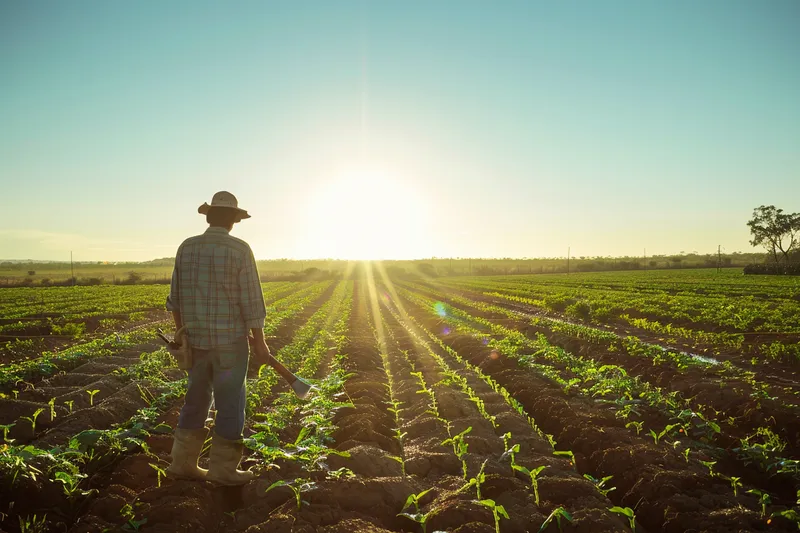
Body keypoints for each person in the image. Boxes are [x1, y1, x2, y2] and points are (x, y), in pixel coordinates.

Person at [164, 191, 271, 485]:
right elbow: (251, 301)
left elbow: (176, 299)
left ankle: (182, 463)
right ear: (234, 221)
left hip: (195, 341)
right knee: (230, 402)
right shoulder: (239, 249)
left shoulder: (187, 247)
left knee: (195, 400)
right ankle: (223, 470)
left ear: (209, 217)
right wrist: (259, 341)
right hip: (230, 344)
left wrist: (181, 334)